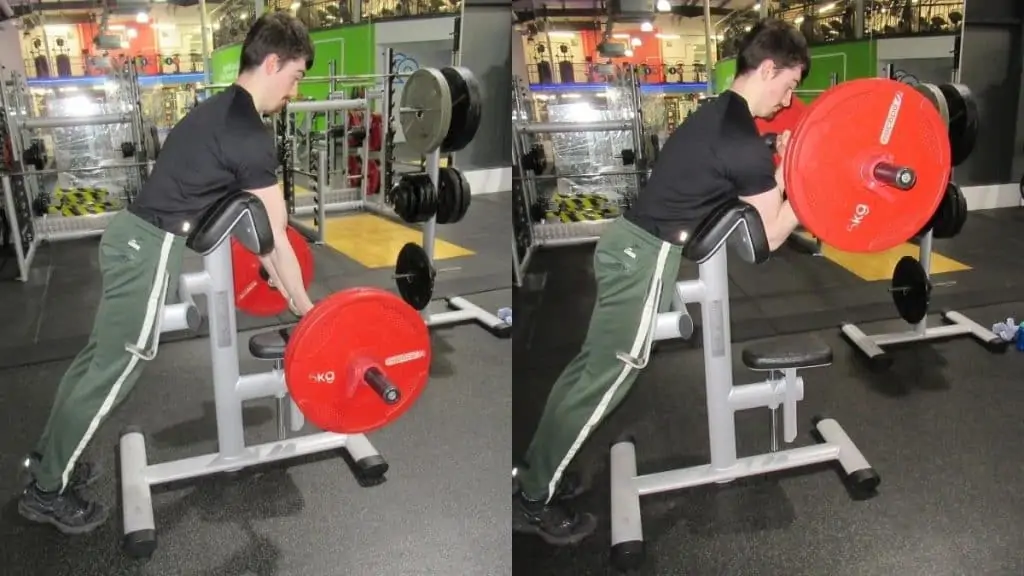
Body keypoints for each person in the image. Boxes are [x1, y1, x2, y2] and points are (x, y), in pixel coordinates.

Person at [512, 18, 811, 546]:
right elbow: (765, 242)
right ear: (768, 69)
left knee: (588, 371)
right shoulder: (740, 139)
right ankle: (534, 497)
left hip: (626, 246)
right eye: (788, 85)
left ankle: (539, 467)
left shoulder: (720, 113)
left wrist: (779, 171)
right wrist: (796, 184)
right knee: (606, 381)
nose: (787, 102)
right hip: (641, 260)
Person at [18, 12, 317, 535]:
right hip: (147, 250)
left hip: (129, 237)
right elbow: (275, 235)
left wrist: (284, 280)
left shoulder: (218, 108)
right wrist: (306, 308)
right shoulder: (248, 132)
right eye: (295, 77)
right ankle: (47, 491)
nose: (293, 91)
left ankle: (50, 462)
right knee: (114, 375)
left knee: (94, 365)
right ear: (273, 63)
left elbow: (253, 226)